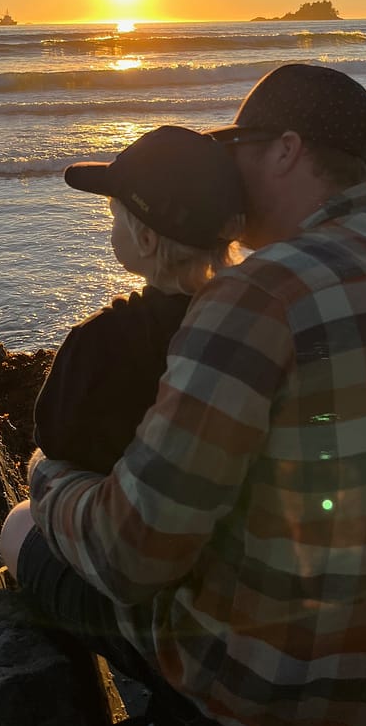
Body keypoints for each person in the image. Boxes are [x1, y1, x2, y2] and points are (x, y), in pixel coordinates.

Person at [0, 63, 366, 726]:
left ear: (287, 148)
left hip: (266, 695)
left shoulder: (260, 295)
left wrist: (48, 479)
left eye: (237, 147)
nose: (226, 169)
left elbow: (131, 555)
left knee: (22, 524)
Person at [33, 124, 244, 473]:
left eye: (115, 216)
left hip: (119, 508)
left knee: (21, 516)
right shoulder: (245, 319)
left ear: (146, 240)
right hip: (214, 500)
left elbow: (52, 436)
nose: (111, 226)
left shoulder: (101, 338)